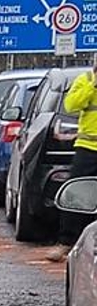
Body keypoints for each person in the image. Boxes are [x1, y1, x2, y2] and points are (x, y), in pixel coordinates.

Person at [60, 56, 97, 239]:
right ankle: (68, 239)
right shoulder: (85, 80)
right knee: (77, 193)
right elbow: (71, 105)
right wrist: (92, 87)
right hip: (88, 147)